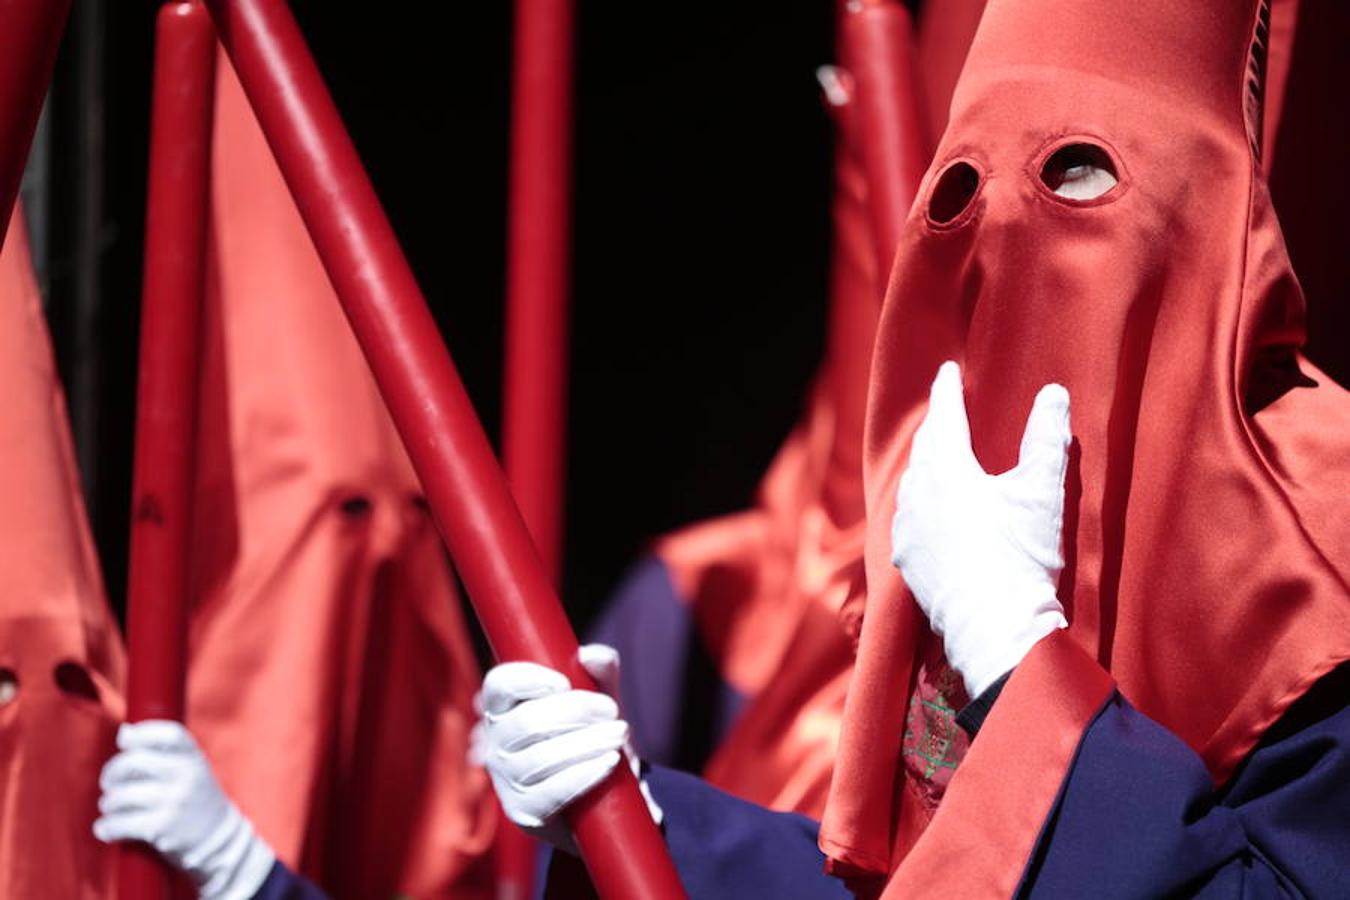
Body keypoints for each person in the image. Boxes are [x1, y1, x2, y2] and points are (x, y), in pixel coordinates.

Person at [475, 362, 1350, 898]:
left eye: (1085, 175)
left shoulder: (1321, 545)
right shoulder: (715, 590)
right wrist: (635, 814)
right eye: (960, 199)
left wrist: (1016, 658)